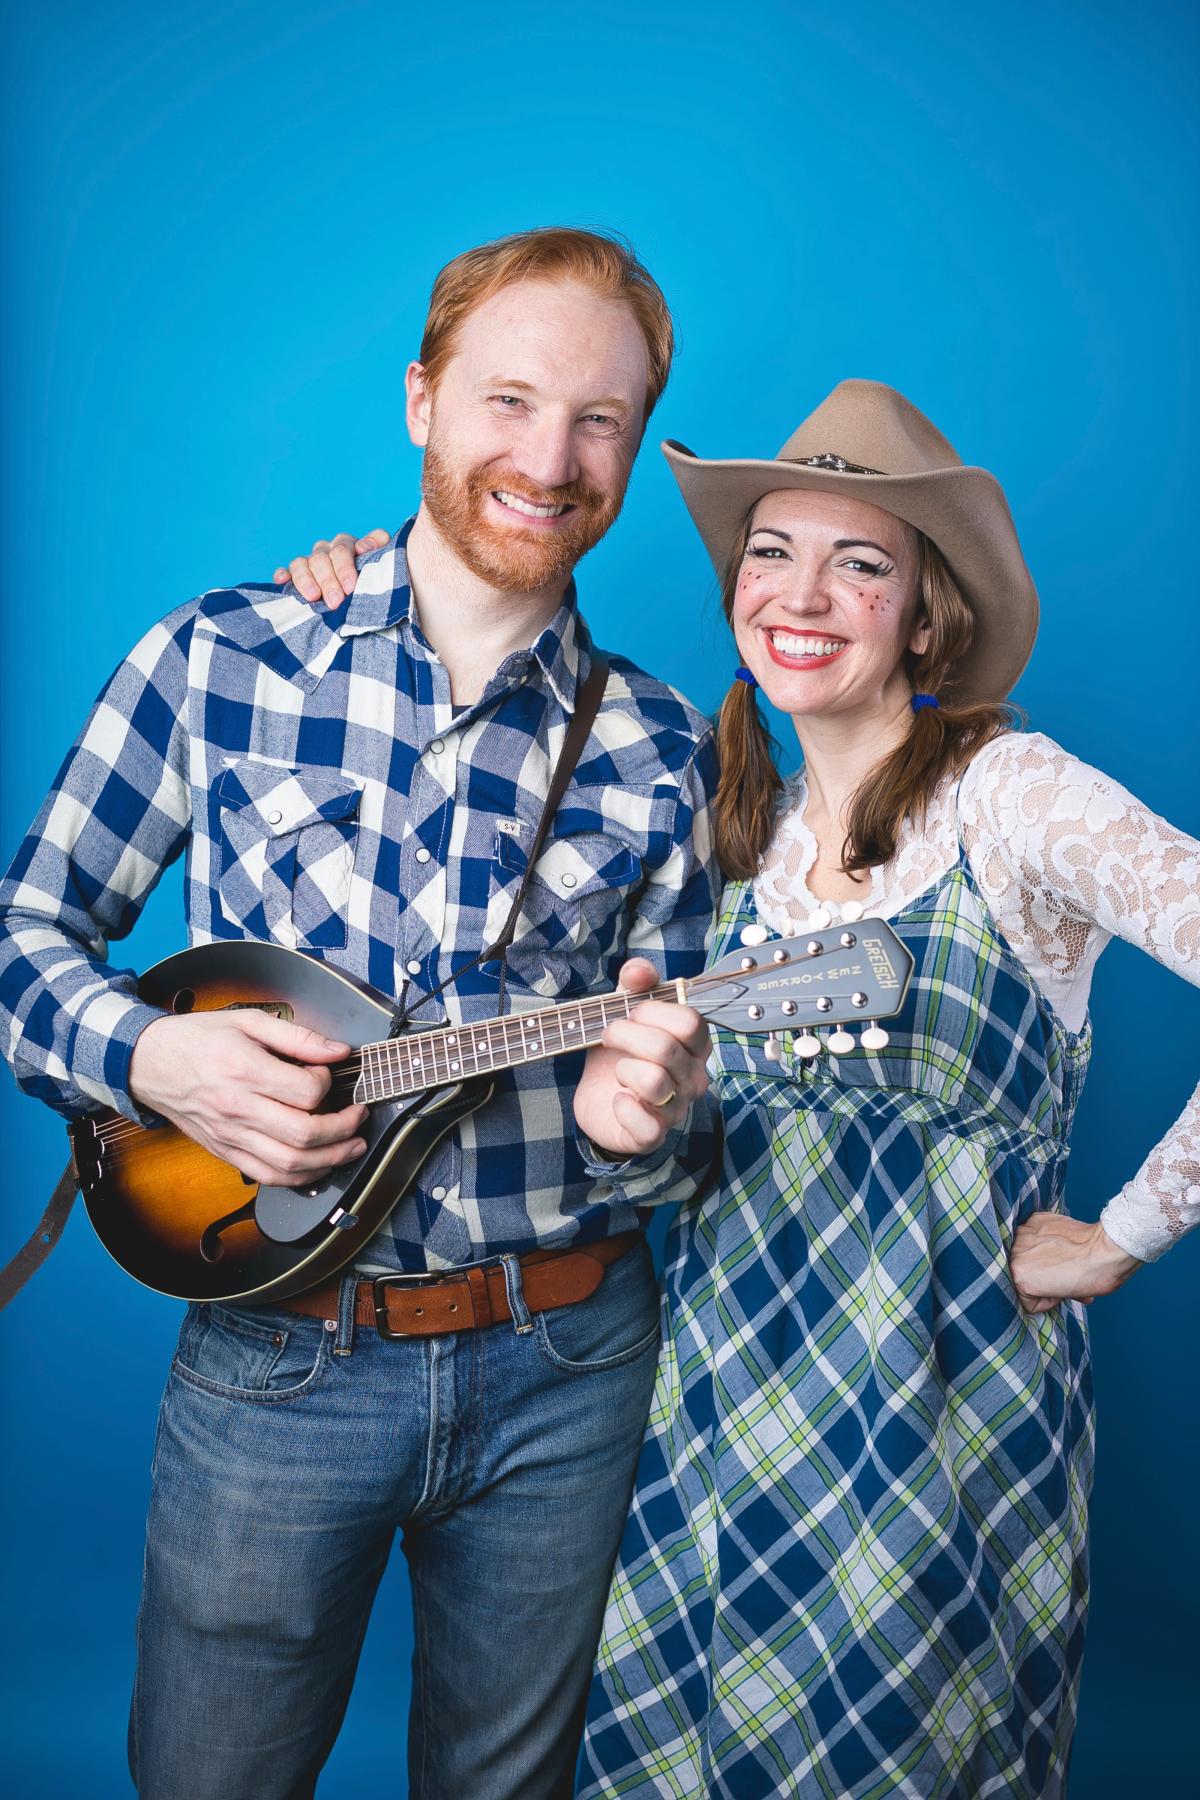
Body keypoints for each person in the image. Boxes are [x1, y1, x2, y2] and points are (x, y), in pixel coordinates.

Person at [0, 227, 723, 1800]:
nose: (549, 457)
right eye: (508, 399)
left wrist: (652, 1127)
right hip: (279, 1357)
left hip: (569, 1362)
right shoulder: (225, 657)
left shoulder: (666, 750)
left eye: (600, 418)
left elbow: (696, 1131)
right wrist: (156, 1053)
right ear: (420, 400)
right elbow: (22, 938)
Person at [559, 380, 1198, 1798]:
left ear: (926, 618)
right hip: (721, 1414)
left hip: (937, 1418)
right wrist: (639, 1126)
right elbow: (702, 1157)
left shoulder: (1010, 796)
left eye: (863, 562)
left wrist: (1129, 1230)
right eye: (773, 552)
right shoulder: (744, 840)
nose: (803, 592)